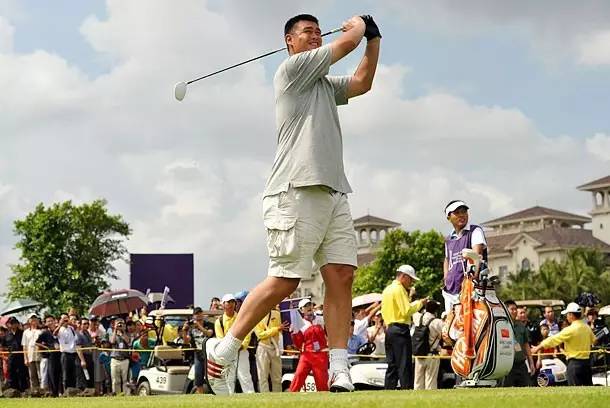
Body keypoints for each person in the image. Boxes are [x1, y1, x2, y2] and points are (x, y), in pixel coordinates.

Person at [204, 13, 381, 395]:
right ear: (290, 41)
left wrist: (374, 40)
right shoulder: (292, 70)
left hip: (333, 190)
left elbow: (362, 82)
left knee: (342, 276)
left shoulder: (323, 84)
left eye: (318, 31)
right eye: (307, 32)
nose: (316, 36)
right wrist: (358, 26)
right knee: (286, 279)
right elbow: (345, 43)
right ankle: (225, 348)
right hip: (294, 189)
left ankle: (339, 368)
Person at [381, 265, 427, 390]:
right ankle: (406, 389)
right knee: (404, 363)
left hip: (390, 329)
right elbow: (406, 310)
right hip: (400, 329)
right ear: (404, 276)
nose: (411, 282)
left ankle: (388, 389)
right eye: (410, 279)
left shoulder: (387, 289)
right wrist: (420, 303)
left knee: (392, 364)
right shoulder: (399, 289)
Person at [531, 302, 596, 386]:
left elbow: (553, 339)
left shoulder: (570, 330)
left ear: (571, 315)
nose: (566, 317)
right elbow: (594, 341)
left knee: (575, 391)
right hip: (587, 364)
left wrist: (537, 348)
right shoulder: (587, 327)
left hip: (574, 365)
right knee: (588, 389)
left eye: (567, 314)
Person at [442, 200, 488, 313]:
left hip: (470, 290)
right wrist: (446, 278)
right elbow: (447, 259)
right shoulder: (449, 239)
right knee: (450, 322)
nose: (461, 215)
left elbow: (477, 256)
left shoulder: (475, 231)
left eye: (464, 212)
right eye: (457, 213)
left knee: (469, 323)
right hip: (450, 292)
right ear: (449, 217)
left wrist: (472, 281)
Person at [213, 294, 254, 394]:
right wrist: (230, 348)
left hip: (242, 351)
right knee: (229, 377)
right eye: (228, 302)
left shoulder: (241, 317)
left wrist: (242, 345)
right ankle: (230, 397)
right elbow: (220, 339)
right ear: (223, 305)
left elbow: (247, 333)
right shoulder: (219, 321)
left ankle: (250, 395)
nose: (230, 304)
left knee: (244, 376)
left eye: (232, 302)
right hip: (228, 353)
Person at [289, 298, 329, 392]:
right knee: (298, 376)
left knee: (322, 381)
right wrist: (294, 333)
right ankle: (291, 395)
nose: (309, 307)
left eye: (310, 305)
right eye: (306, 306)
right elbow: (298, 344)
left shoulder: (321, 319)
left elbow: (329, 334)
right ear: (301, 310)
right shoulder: (299, 324)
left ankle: (324, 399)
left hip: (320, 355)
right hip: (306, 355)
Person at [254, 305, 288, 392]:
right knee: (263, 376)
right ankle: (264, 396)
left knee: (277, 376)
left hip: (275, 347)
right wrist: (276, 329)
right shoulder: (256, 316)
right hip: (263, 347)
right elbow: (260, 335)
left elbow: (283, 328)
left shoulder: (277, 314)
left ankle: (278, 395)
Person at [503, 300, 534, 387]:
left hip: (521, 364)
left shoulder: (521, 326)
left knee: (527, 387)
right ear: (505, 310)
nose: (514, 311)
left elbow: (526, 345)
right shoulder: (501, 325)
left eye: (515, 309)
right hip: (507, 366)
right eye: (512, 309)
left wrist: (531, 363)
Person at [413, 301, 443, 390]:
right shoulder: (437, 322)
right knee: (431, 381)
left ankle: (417, 397)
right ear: (436, 311)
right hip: (432, 354)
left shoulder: (418, 318)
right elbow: (445, 334)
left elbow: (413, 309)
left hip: (419, 353)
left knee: (418, 382)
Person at [182, 307, 212, 394]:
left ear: (202, 315)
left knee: (210, 377)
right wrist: (184, 331)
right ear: (193, 316)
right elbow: (186, 341)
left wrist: (199, 326)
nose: (198, 316)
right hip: (198, 355)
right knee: (198, 377)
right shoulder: (191, 328)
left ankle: (213, 394)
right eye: (196, 315)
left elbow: (209, 333)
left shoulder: (209, 324)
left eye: (199, 314)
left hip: (209, 354)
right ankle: (201, 396)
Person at [36, 315, 61, 396]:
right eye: (48, 321)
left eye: (51, 321)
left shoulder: (59, 330)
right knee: (52, 373)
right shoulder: (45, 332)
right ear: (46, 323)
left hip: (61, 354)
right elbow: (37, 342)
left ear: (54, 321)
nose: (50, 323)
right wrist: (47, 347)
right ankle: (54, 393)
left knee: (60, 373)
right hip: (51, 355)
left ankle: (61, 391)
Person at [55, 314, 78, 392]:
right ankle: (66, 391)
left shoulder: (71, 328)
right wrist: (60, 324)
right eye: (64, 319)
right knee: (65, 374)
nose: (65, 320)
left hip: (73, 353)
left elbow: (76, 327)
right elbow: (54, 334)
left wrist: (70, 322)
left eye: (66, 319)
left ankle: (73, 390)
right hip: (65, 354)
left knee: (73, 373)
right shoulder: (60, 329)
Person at [4, 317, 28, 391]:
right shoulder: (6, 335)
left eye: (14, 323)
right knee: (12, 374)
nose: (13, 325)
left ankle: (23, 390)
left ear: (17, 324)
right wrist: (5, 356)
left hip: (21, 357)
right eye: (11, 323)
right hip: (11, 358)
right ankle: (13, 391)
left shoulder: (22, 333)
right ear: (8, 324)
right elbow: (3, 346)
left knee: (22, 374)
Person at [109, 318, 131, 395]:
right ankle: (116, 394)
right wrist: (115, 330)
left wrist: (123, 332)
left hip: (125, 359)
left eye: (122, 323)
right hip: (115, 359)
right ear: (114, 325)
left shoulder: (127, 333)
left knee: (125, 380)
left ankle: (126, 394)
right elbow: (112, 341)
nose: (120, 325)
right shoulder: (112, 333)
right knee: (115, 380)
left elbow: (128, 341)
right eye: (118, 324)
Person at [22, 314, 42, 391]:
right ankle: (34, 391)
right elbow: (24, 346)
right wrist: (25, 358)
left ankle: (42, 391)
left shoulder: (41, 331)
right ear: (29, 320)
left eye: (35, 318)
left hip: (39, 355)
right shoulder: (26, 332)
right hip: (30, 356)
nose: (33, 320)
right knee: (32, 376)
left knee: (41, 375)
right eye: (32, 318)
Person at [75, 318, 94, 389]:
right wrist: (82, 360)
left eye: (87, 324)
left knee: (89, 377)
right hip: (82, 357)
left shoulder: (87, 333)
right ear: (80, 325)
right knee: (82, 378)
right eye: (84, 324)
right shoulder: (78, 335)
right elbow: (78, 348)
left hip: (89, 357)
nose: (86, 325)